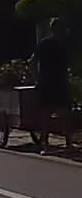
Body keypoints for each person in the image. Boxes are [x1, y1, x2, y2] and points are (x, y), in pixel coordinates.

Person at [31, 18, 69, 153]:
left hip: (60, 82)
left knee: (63, 114)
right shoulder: (45, 44)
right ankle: (45, 144)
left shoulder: (63, 44)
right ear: (54, 29)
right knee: (46, 115)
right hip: (47, 82)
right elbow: (33, 61)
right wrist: (36, 79)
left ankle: (68, 143)